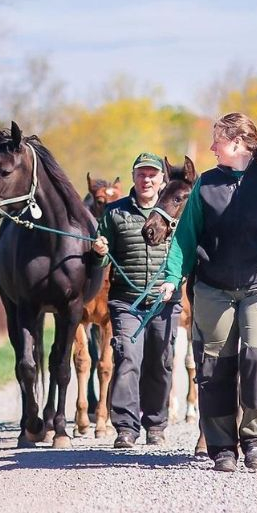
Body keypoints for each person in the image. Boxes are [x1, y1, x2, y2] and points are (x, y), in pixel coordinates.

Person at [156, 113, 257, 472]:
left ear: (239, 143)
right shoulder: (206, 184)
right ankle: (222, 447)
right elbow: (185, 235)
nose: (212, 147)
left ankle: (255, 441)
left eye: (218, 139)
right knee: (214, 367)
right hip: (213, 287)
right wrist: (172, 276)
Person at [90, 153, 180, 449]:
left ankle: (155, 424)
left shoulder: (176, 212)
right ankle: (126, 428)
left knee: (161, 362)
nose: (147, 179)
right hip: (127, 302)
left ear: (162, 180)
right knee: (128, 357)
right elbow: (102, 259)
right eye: (141, 174)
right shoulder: (114, 213)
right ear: (133, 177)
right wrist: (99, 252)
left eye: (153, 174)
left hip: (164, 302)